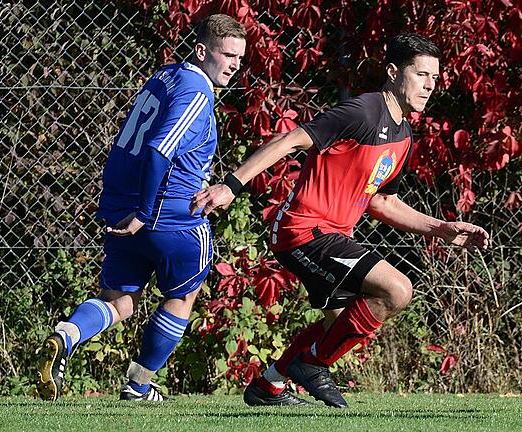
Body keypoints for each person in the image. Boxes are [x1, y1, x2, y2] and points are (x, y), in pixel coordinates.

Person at [190, 32, 489, 408]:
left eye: (434, 77)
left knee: (339, 323)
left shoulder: (403, 134)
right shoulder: (363, 112)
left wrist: (441, 230)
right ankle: (313, 365)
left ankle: (269, 385)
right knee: (397, 290)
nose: (429, 85)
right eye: (421, 74)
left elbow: (381, 201)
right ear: (394, 72)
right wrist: (231, 185)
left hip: (330, 235)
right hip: (304, 229)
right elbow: (289, 140)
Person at [35, 14, 247, 402]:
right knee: (183, 297)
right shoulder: (197, 92)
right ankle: (138, 385)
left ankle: (68, 334)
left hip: (123, 208)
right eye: (226, 54)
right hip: (168, 217)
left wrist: (125, 206)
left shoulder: (165, 76)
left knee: (120, 302)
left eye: (239, 57)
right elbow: (158, 150)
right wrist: (146, 213)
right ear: (202, 51)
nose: (234, 64)